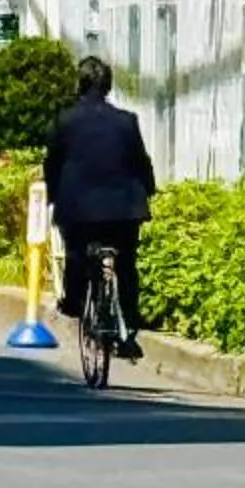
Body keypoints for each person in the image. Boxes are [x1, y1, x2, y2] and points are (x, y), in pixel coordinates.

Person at [45, 54, 157, 360]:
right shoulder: (126, 121)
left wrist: (53, 196)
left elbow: (52, 165)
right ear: (108, 86)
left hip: (79, 209)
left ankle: (76, 303)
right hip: (124, 209)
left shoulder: (64, 121)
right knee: (126, 264)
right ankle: (129, 328)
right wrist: (149, 189)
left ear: (79, 84)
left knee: (78, 257)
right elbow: (141, 163)